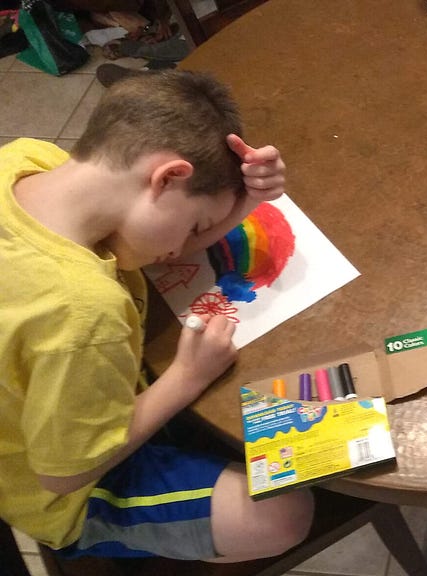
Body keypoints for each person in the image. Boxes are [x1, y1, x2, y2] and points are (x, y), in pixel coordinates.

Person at [0, 70, 314, 561]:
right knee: (284, 512)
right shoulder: (83, 313)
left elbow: (159, 237)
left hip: (44, 406)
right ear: (168, 176)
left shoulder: (27, 160)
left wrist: (247, 200)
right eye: (194, 225)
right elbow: (63, 472)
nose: (180, 249)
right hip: (64, 491)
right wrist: (186, 378)